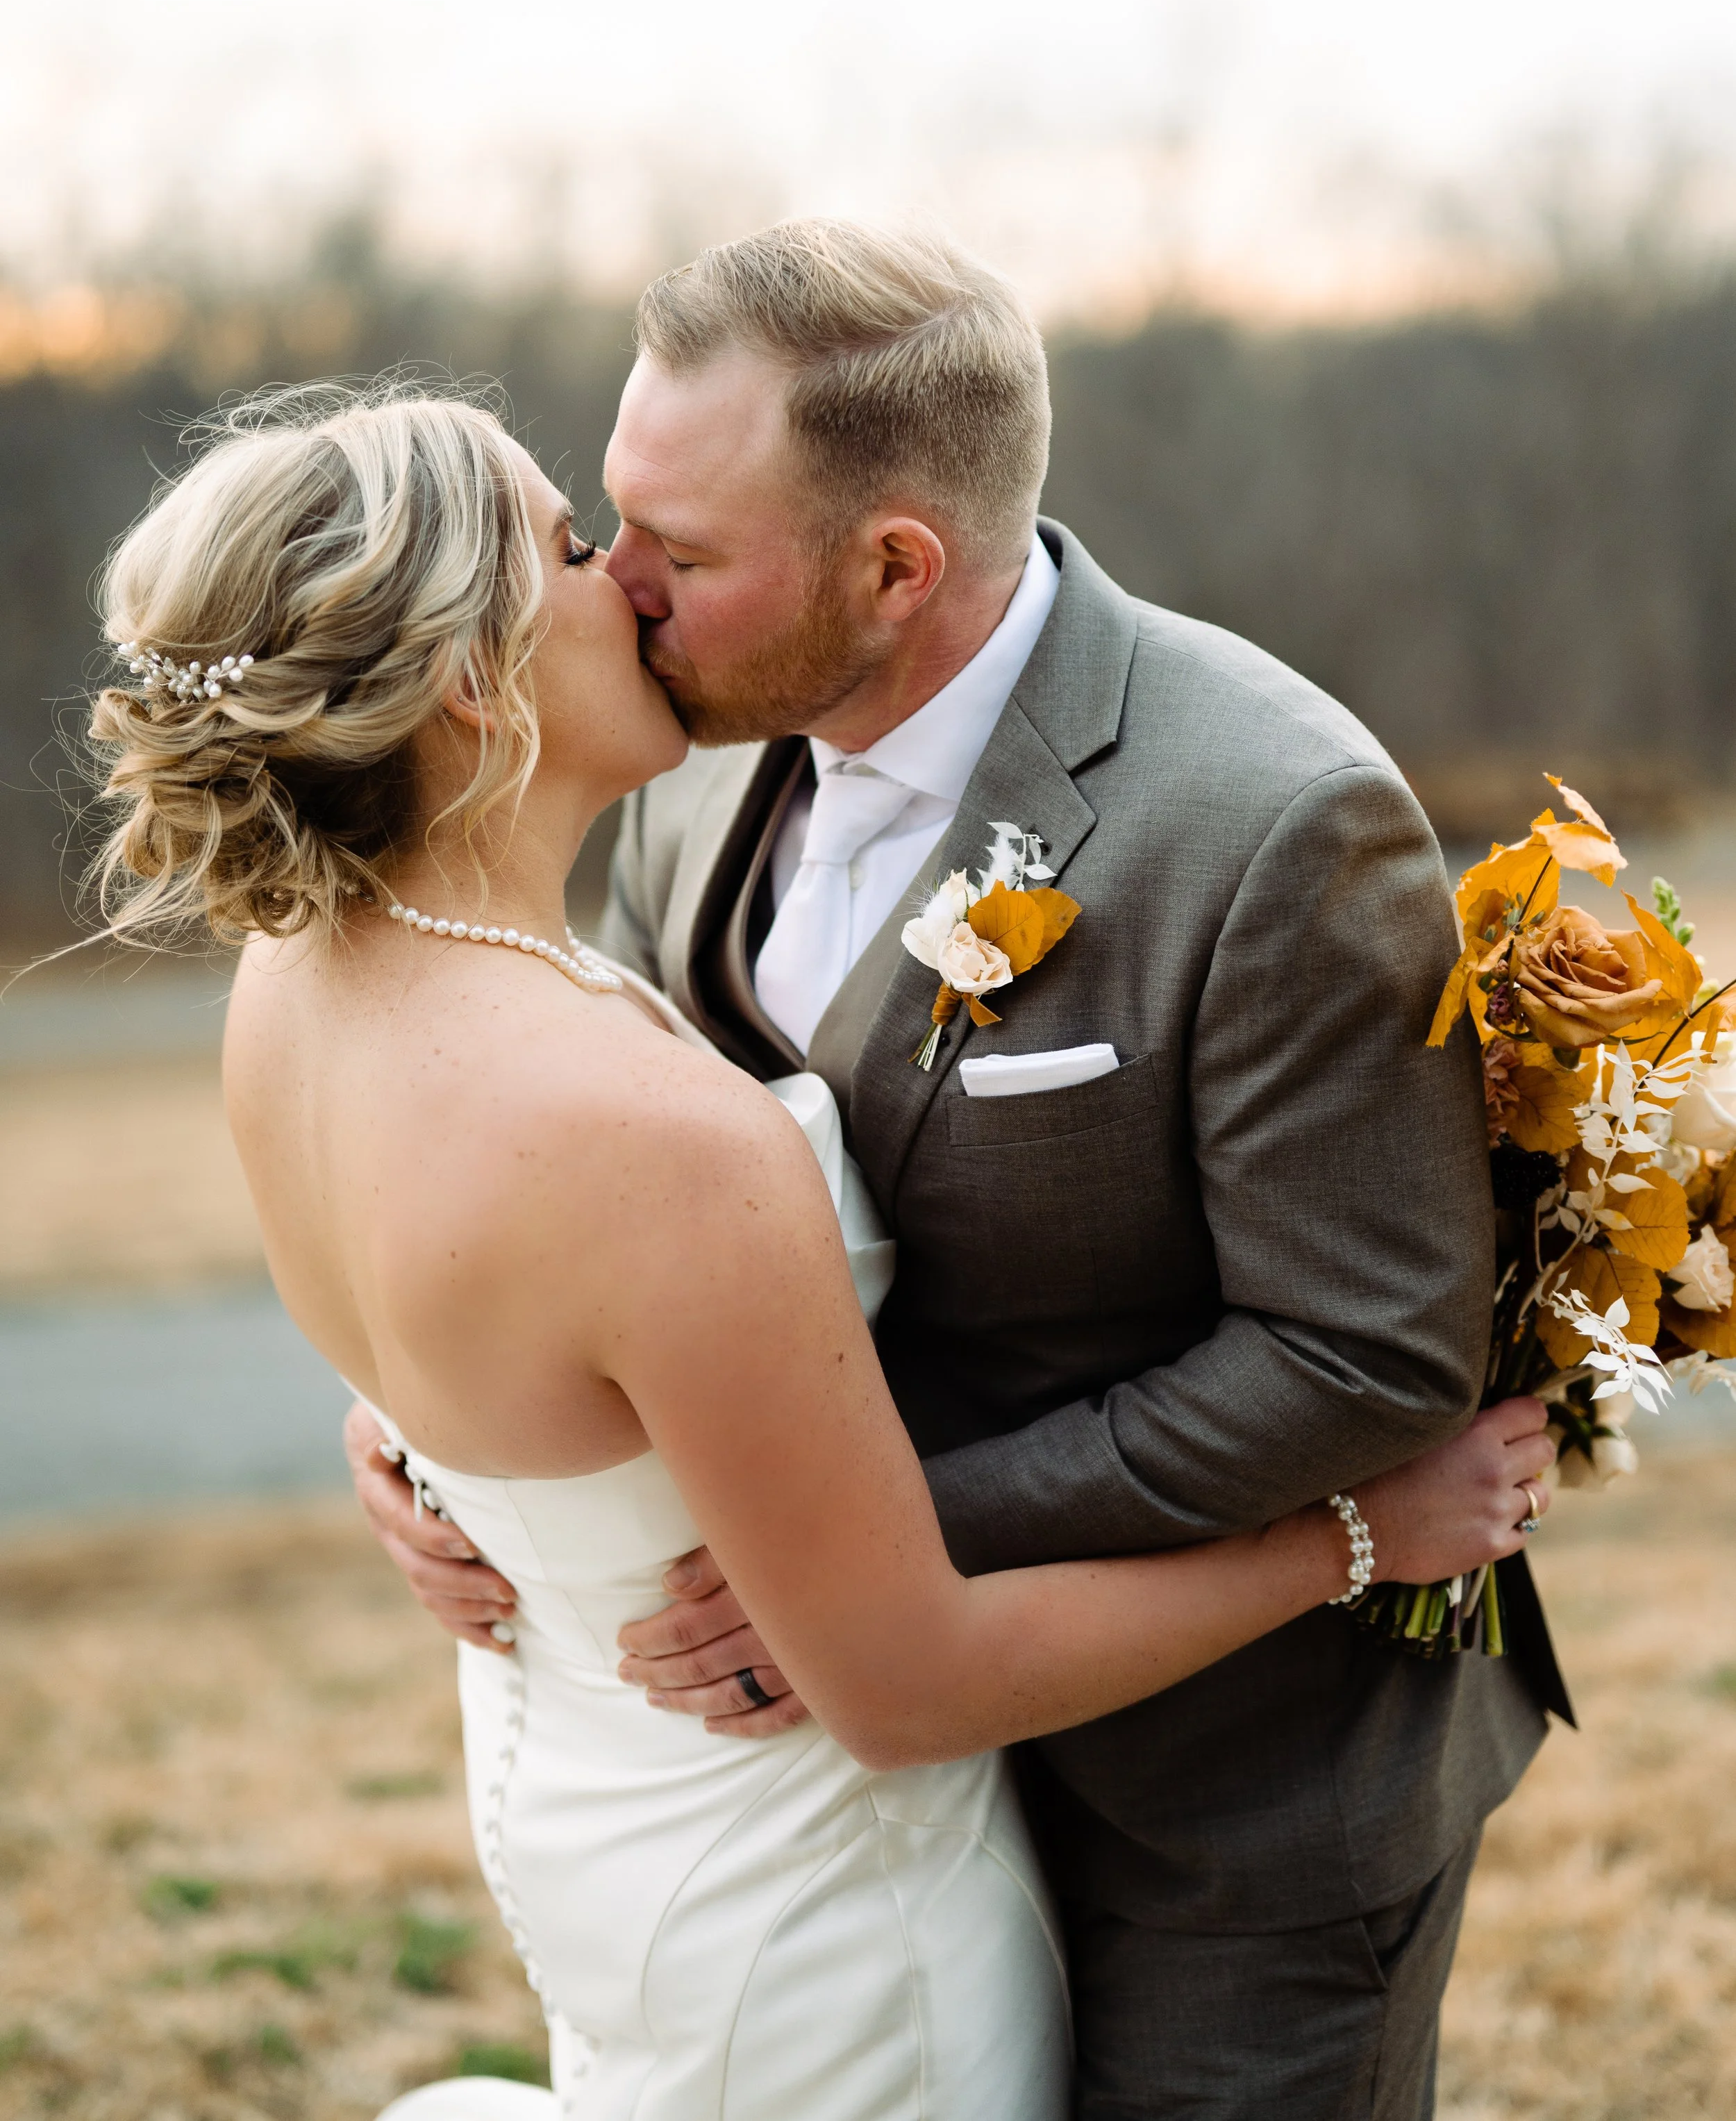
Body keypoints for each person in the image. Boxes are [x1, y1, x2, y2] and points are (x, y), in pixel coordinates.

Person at [85, 379, 1550, 2121]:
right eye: (570, 542)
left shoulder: (294, 984)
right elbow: (907, 1681)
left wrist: (435, 1448)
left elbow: (469, 1324)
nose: (625, 577)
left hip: (597, 1822)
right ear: (471, 682)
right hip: (816, 1898)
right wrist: (1354, 1536)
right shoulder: (653, 1140)